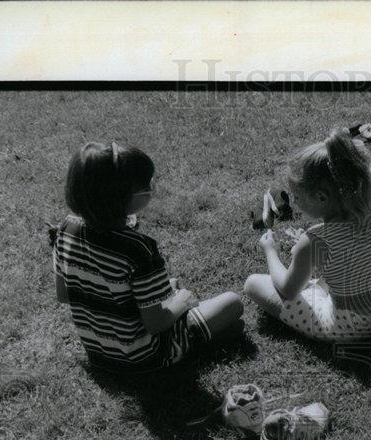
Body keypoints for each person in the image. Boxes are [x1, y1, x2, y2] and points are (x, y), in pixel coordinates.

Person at [52, 141, 243, 372]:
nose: (151, 186)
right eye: (145, 184)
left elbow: (64, 295)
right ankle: (193, 345)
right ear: (123, 198)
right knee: (232, 303)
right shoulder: (138, 249)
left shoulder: (65, 229)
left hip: (99, 355)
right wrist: (182, 301)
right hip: (145, 357)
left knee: (167, 292)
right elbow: (155, 324)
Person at [244, 129, 371, 342]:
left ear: (321, 198)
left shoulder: (315, 241)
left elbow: (287, 290)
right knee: (322, 281)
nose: (295, 203)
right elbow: (351, 256)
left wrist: (270, 251)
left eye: (297, 196)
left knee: (252, 284)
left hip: (350, 327)